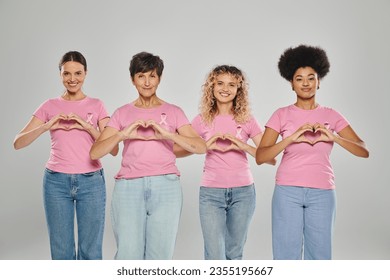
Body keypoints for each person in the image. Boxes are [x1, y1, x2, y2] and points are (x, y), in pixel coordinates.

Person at [255, 45, 369, 260]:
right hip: (287, 191)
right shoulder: (281, 114)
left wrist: (333, 137)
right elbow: (261, 157)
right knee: (285, 255)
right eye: (299, 78)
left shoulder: (331, 115)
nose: (305, 83)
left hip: (323, 193)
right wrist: (290, 138)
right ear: (291, 83)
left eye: (311, 78)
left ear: (319, 81)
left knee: (320, 256)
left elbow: (363, 151)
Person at [90, 51, 206, 260]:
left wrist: (167, 135)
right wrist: (123, 133)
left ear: (159, 79)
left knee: (160, 255)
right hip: (128, 187)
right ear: (133, 79)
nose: (147, 82)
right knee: (128, 253)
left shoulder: (173, 111)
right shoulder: (121, 113)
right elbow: (95, 152)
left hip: (167, 185)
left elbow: (200, 146)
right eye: (141, 76)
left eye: (152, 76)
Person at [13, 51, 117, 260]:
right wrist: (46, 125)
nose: (72, 79)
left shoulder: (97, 105)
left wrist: (87, 126)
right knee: (61, 251)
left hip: (91, 182)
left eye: (78, 73)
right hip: (56, 182)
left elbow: (113, 149)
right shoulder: (49, 106)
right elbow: (18, 143)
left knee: (91, 251)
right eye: (66, 74)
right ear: (60, 75)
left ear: (86, 73)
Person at [175, 65, 275, 260]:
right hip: (211, 193)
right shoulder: (202, 119)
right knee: (214, 255)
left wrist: (242, 145)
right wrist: (204, 145)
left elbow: (269, 157)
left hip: (243, 193)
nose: (225, 88)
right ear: (211, 87)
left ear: (239, 89)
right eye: (220, 83)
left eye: (232, 84)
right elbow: (176, 150)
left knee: (234, 253)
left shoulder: (247, 119)